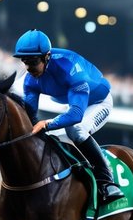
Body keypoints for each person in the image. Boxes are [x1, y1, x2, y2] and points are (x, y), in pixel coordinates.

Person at [12, 29, 123, 203]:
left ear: (47, 56)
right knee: (49, 136)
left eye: (33, 62)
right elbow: (31, 117)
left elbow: (76, 115)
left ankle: (107, 181)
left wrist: (47, 124)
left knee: (76, 130)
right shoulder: (29, 80)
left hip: (98, 102)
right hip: (73, 103)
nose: (29, 68)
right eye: (25, 62)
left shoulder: (70, 69)